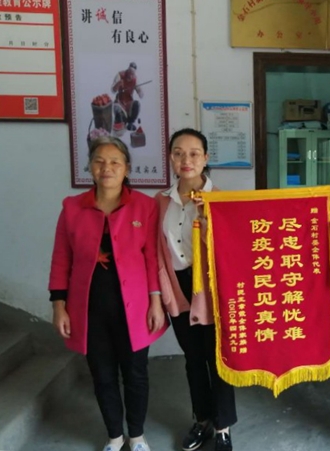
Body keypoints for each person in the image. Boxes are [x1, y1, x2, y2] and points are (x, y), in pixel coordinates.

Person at [49, 136, 167, 451]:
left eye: (115, 162)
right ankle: (114, 435)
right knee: (102, 375)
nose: (107, 168)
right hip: (89, 309)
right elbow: (61, 259)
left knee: (136, 374)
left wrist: (156, 302)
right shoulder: (72, 208)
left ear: (127, 168)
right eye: (99, 161)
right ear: (90, 167)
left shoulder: (144, 206)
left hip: (135, 308)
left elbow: (152, 258)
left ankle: (137, 435)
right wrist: (59, 305)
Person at [156, 128, 237, 451]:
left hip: (214, 291)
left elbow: (233, 254)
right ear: (171, 158)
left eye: (193, 153)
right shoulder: (161, 202)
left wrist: (209, 228)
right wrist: (160, 293)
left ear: (205, 158)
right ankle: (202, 419)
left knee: (218, 359)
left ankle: (223, 427)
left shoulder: (222, 200)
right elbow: (157, 251)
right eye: (178, 153)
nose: (185, 160)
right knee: (192, 358)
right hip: (178, 287)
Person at [112, 62, 144, 131]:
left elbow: (141, 95)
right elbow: (113, 90)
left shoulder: (135, 79)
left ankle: (130, 122)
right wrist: (118, 84)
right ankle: (120, 122)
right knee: (118, 110)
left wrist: (139, 91)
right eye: (129, 72)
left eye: (132, 74)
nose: (130, 75)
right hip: (119, 101)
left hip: (129, 102)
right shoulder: (120, 75)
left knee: (136, 105)